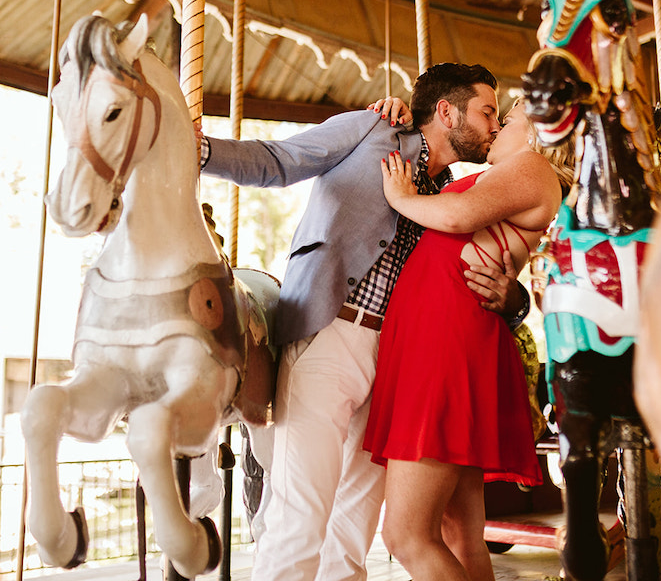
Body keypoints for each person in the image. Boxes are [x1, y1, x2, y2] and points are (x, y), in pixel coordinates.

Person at [198, 63, 531, 581]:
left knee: (353, 532)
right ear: (446, 111)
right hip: (330, 331)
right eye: (487, 112)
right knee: (300, 517)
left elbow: (481, 271)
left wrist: (515, 301)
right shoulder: (372, 129)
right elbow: (281, 160)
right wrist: (201, 153)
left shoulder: (450, 194)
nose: (493, 126)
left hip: (397, 363)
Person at [364, 103, 561, 581]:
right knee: (458, 533)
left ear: (534, 133)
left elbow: (458, 215)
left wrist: (399, 196)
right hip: (440, 335)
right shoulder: (512, 175)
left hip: (444, 341)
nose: (496, 128)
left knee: (406, 535)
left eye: (507, 119)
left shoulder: (533, 168)